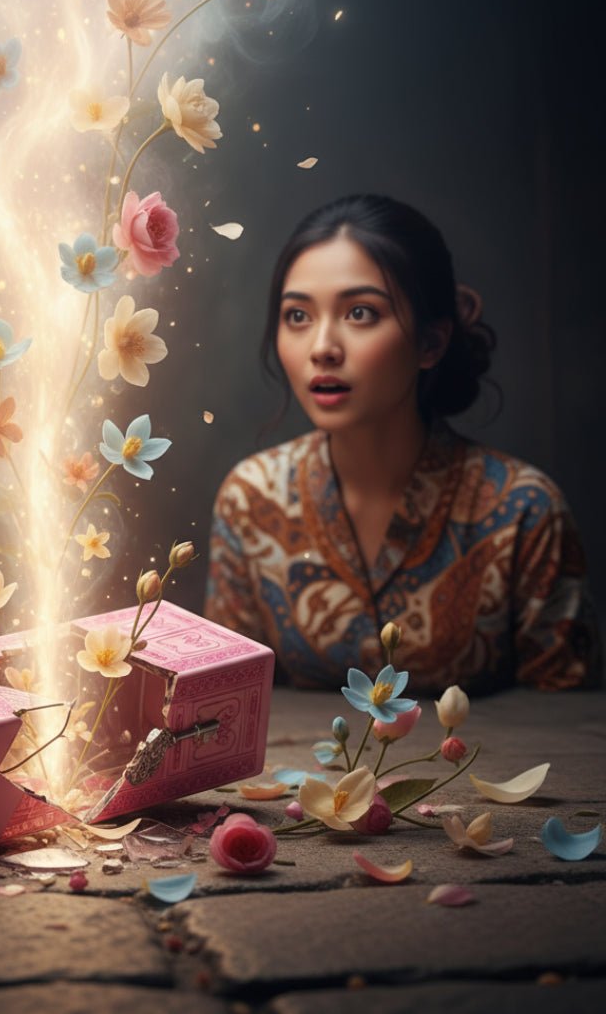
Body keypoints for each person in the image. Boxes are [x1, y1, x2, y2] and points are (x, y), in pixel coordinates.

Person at [204, 194, 601, 693]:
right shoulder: (251, 499)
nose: (322, 347)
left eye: (361, 313)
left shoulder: (523, 511)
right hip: (300, 770)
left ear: (431, 342)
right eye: (298, 317)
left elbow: (569, 724)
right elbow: (227, 703)